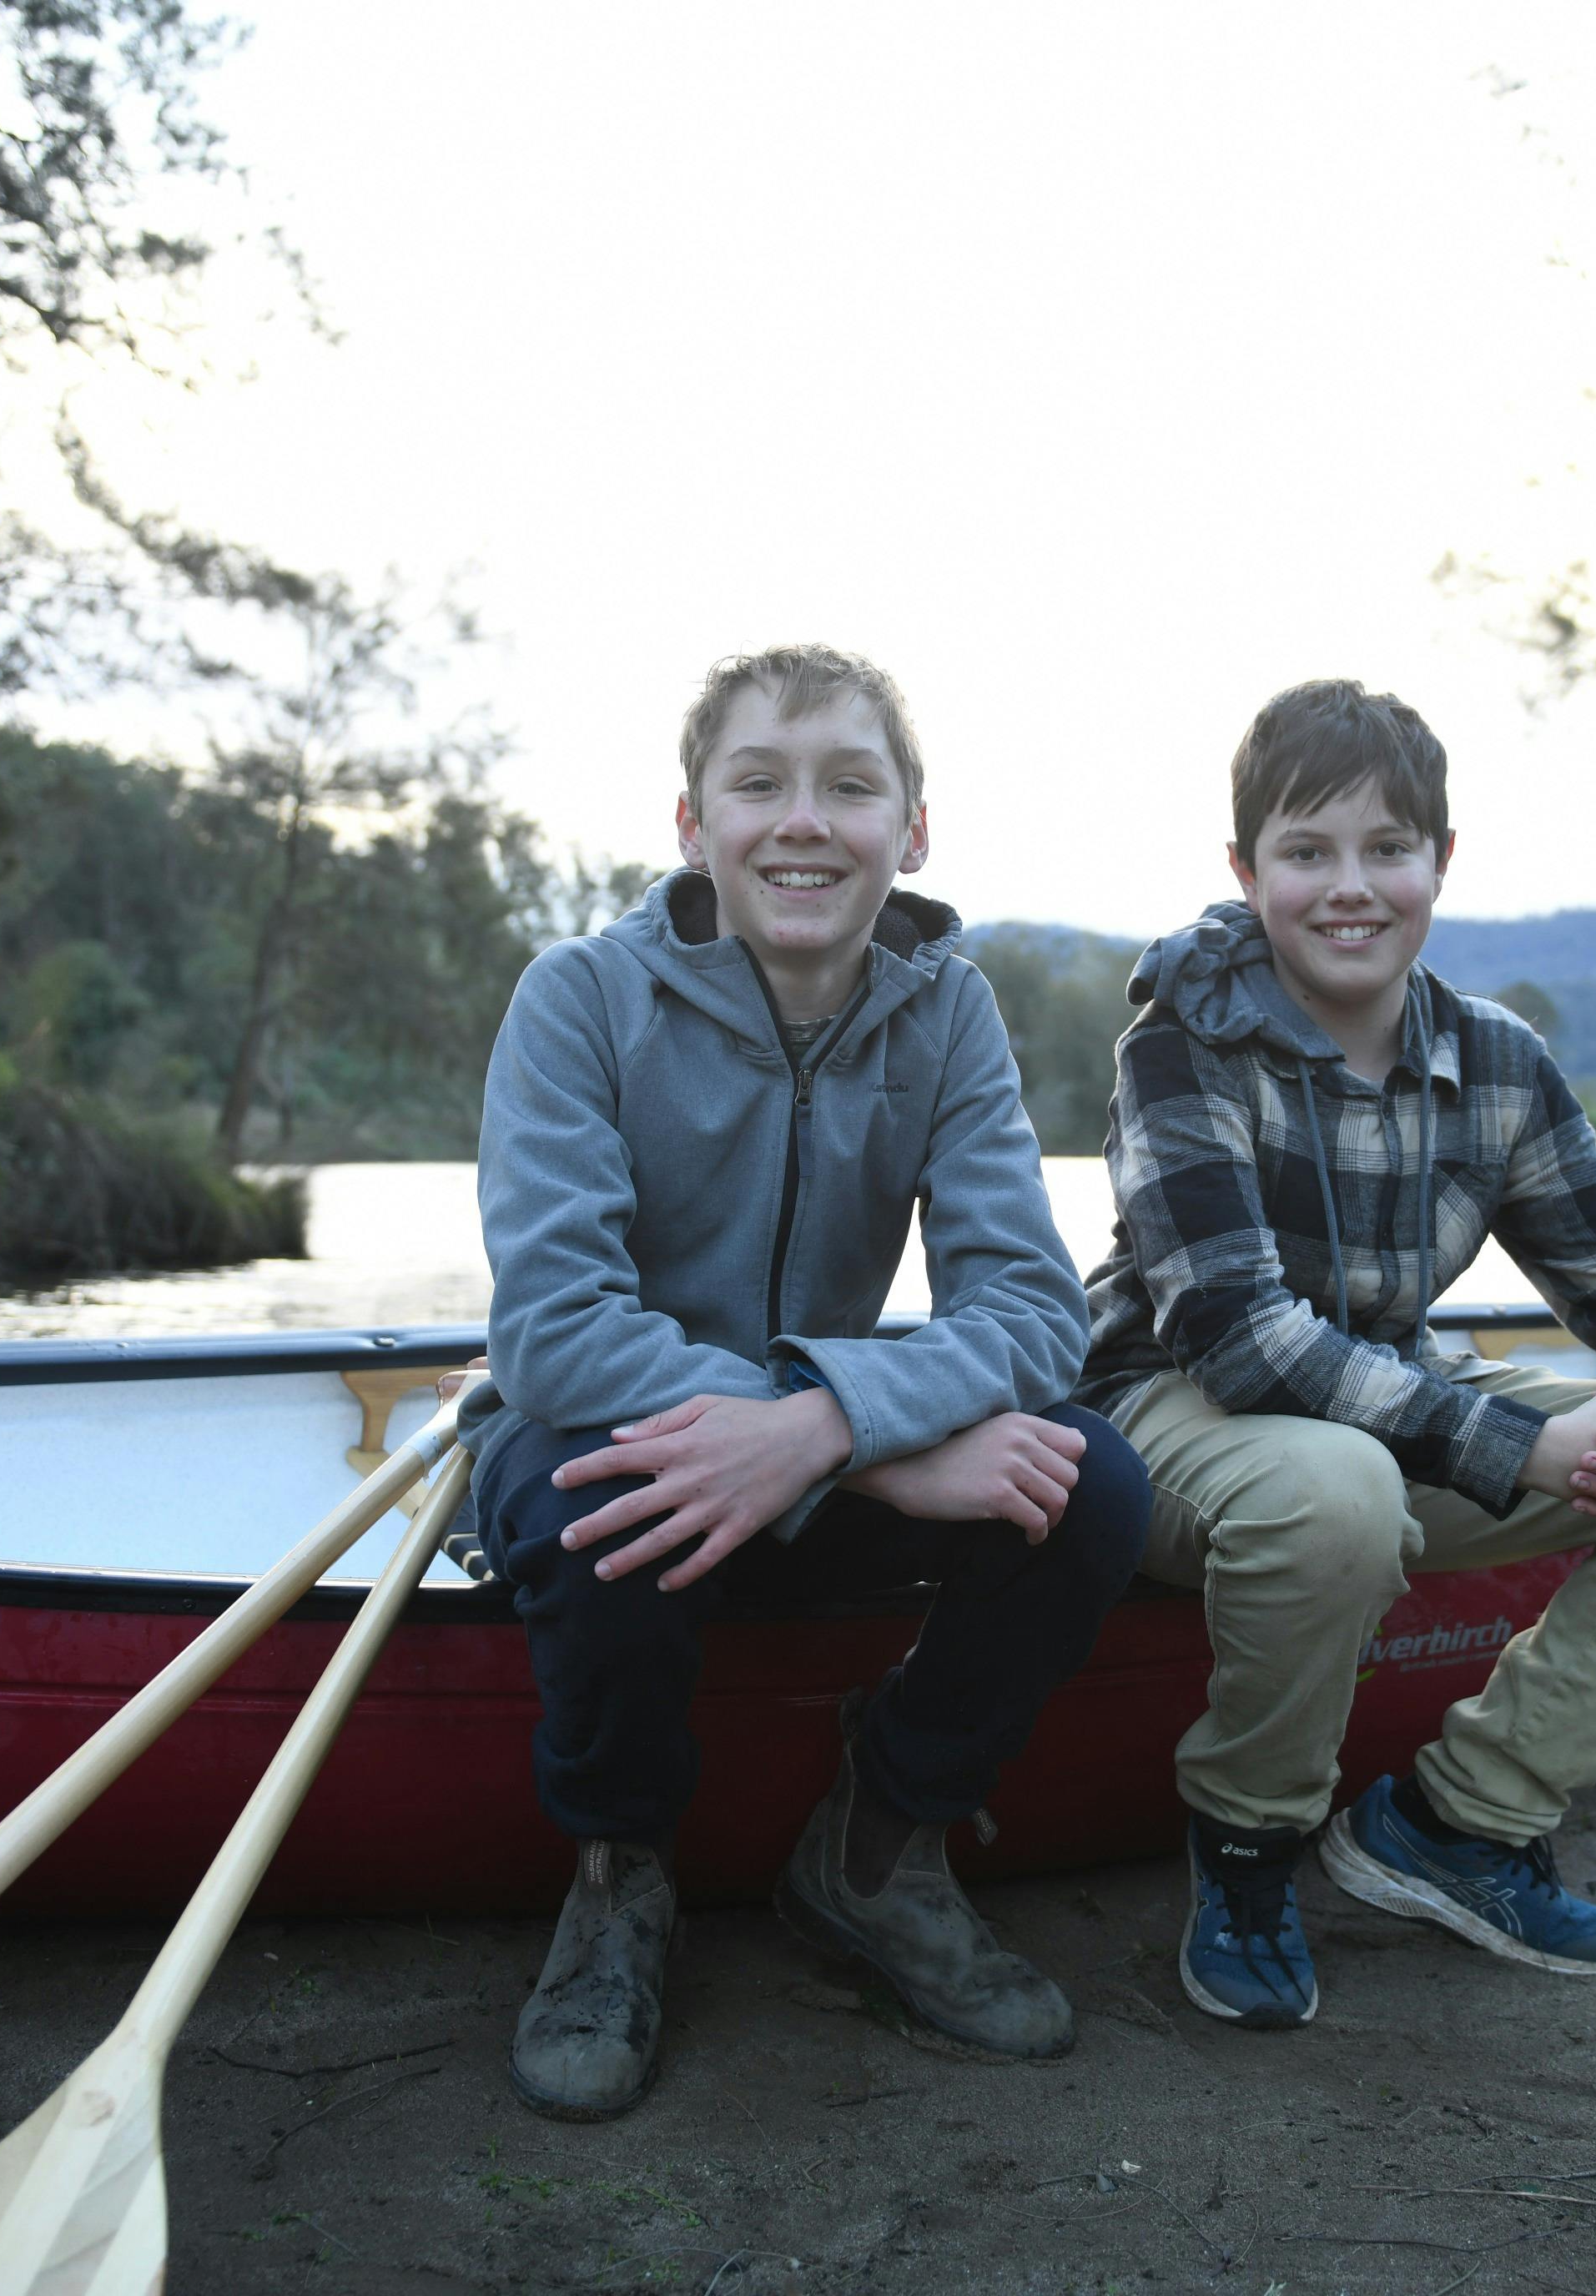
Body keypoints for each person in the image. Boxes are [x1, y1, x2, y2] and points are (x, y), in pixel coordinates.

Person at [468, 642, 1150, 2120]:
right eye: (758, 783)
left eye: (850, 787)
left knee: (1091, 1483)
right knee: (598, 1500)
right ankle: (618, 1877)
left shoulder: (947, 1013)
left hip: (817, 1438)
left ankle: (877, 1852)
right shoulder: (580, 999)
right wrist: (865, 1442)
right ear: (690, 822)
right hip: (607, 1433)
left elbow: (1036, 1309)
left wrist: (823, 1428)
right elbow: (555, 1333)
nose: (802, 821)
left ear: (910, 831)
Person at [1077, 677, 1596, 2031]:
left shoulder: (1499, 1064)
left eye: (1386, 850)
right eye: (1307, 853)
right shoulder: (1179, 1043)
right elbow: (1238, 1342)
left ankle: (1459, 1822)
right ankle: (1248, 1851)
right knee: (1333, 1491)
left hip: (1383, 1406)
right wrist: (1531, 1444)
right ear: (1248, 873)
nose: (1349, 888)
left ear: (1441, 863)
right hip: (1165, 1421)